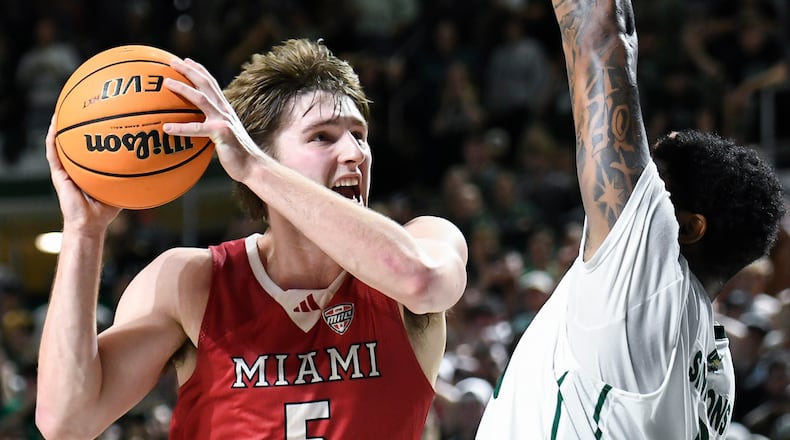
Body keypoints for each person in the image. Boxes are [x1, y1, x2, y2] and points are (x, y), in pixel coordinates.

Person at [35, 39, 468, 439]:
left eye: (359, 135)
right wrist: (83, 233)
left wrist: (255, 168)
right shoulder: (190, 282)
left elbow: (422, 280)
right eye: (323, 136)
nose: (355, 153)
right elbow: (66, 422)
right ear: (260, 147)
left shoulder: (426, 240)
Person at [476, 0, 786, 439]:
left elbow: (602, 35)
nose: (641, 188)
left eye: (656, 185)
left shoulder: (650, 277)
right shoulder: (717, 376)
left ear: (687, 227)